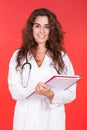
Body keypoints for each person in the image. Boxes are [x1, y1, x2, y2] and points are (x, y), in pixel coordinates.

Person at [8, 8, 76, 130]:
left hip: (52, 120)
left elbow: (71, 94)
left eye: (47, 26)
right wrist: (36, 90)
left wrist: (51, 94)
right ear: (31, 28)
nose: (42, 31)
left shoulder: (62, 57)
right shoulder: (19, 56)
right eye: (37, 26)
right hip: (25, 119)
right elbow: (14, 90)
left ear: (52, 30)